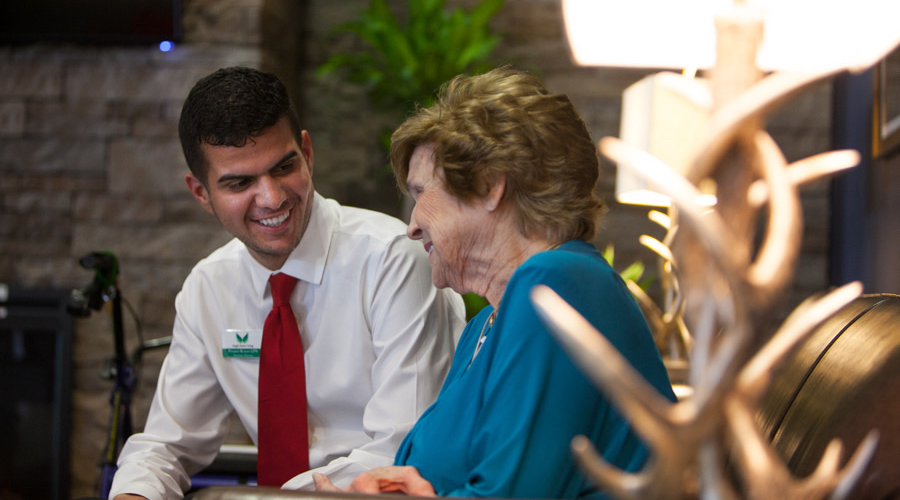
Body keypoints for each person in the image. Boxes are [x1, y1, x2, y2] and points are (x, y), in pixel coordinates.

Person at [313, 66, 677, 498]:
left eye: (420, 193)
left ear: (489, 185)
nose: (411, 226)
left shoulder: (557, 285)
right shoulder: (484, 325)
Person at [108, 66, 466, 500]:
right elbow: (166, 444)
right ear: (201, 193)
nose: (272, 197)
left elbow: (404, 446)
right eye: (240, 182)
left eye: (283, 167)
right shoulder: (209, 288)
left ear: (307, 153)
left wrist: (273, 498)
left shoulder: (393, 259)